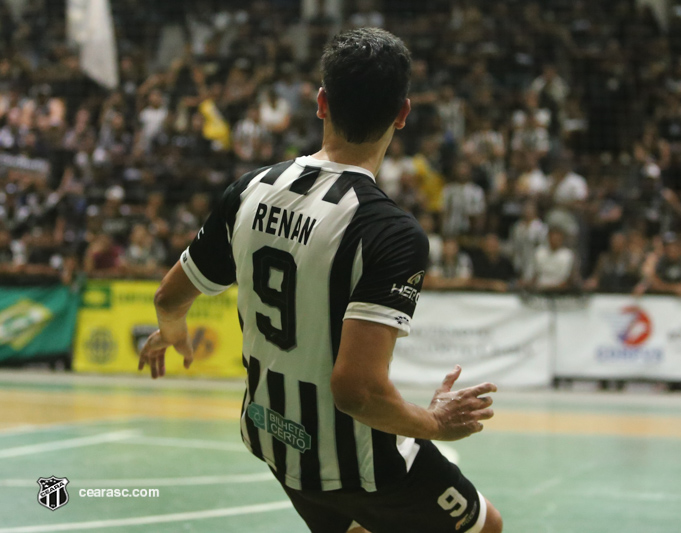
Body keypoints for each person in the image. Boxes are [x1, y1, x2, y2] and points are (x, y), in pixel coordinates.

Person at [137, 28, 502, 533]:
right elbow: (358, 392)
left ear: (321, 103)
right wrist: (436, 422)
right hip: (361, 465)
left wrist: (172, 329)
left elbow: (169, 295)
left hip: (272, 436)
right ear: (403, 114)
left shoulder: (251, 189)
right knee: (488, 528)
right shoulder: (389, 232)